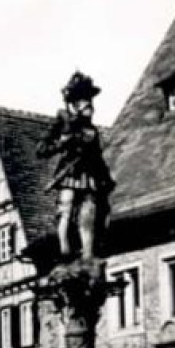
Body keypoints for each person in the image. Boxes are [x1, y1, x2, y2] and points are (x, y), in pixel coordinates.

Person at [38, 72, 115, 261]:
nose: (89, 103)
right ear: (74, 104)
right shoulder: (63, 123)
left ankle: (88, 255)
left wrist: (106, 178)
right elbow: (41, 149)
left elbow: (97, 158)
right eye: (83, 99)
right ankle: (64, 249)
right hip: (70, 172)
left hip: (90, 175)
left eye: (89, 99)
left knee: (88, 214)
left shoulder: (92, 131)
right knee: (65, 209)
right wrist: (62, 142)